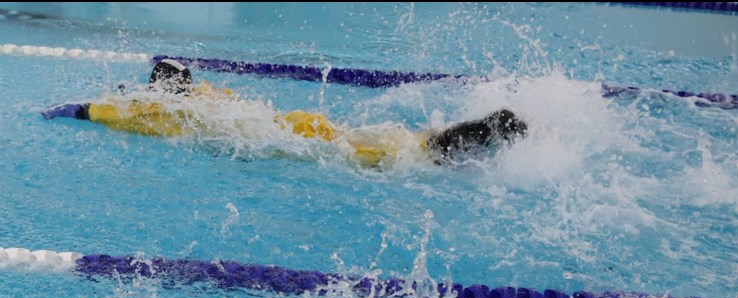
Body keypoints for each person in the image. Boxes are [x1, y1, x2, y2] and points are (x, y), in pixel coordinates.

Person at [45, 58, 528, 168]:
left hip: (291, 138)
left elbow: (80, 109)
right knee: (404, 143)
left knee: (401, 161)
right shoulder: (209, 94)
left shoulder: (156, 114)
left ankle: (476, 136)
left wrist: (44, 113)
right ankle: (476, 132)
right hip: (293, 121)